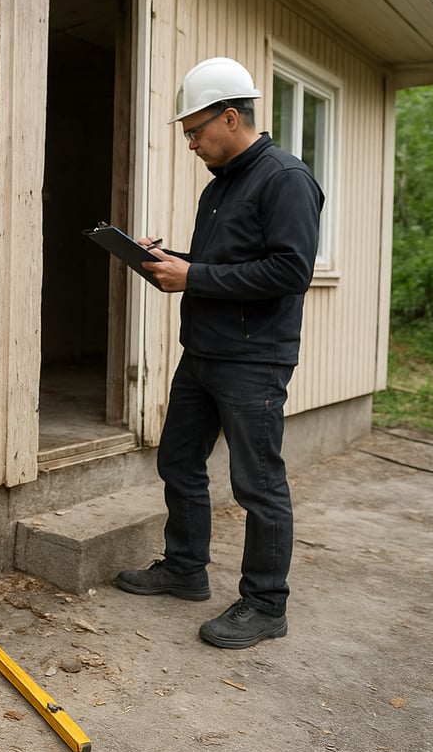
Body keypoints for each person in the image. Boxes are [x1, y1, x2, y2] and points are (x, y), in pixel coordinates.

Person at [115, 57, 324, 649]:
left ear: (231, 118)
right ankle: (185, 569)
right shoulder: (221, 186)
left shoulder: (286, 179)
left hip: (255, 359)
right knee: (178, 462)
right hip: (203, 351)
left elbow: (290, 270)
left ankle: (265, 604)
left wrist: (195, 277)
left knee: (258, 483)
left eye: (195, 132)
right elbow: (225, 267)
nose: (190, 144)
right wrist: (166, 260)